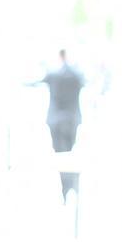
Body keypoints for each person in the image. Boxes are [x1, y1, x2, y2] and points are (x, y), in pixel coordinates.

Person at [36, 48, 85, 200]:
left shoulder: (53, 74)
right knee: (69, 153)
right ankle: (70, 185)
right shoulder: (76, 75)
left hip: (56, 122)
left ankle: (66, 187)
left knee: (61, 154)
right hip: (71, 120)